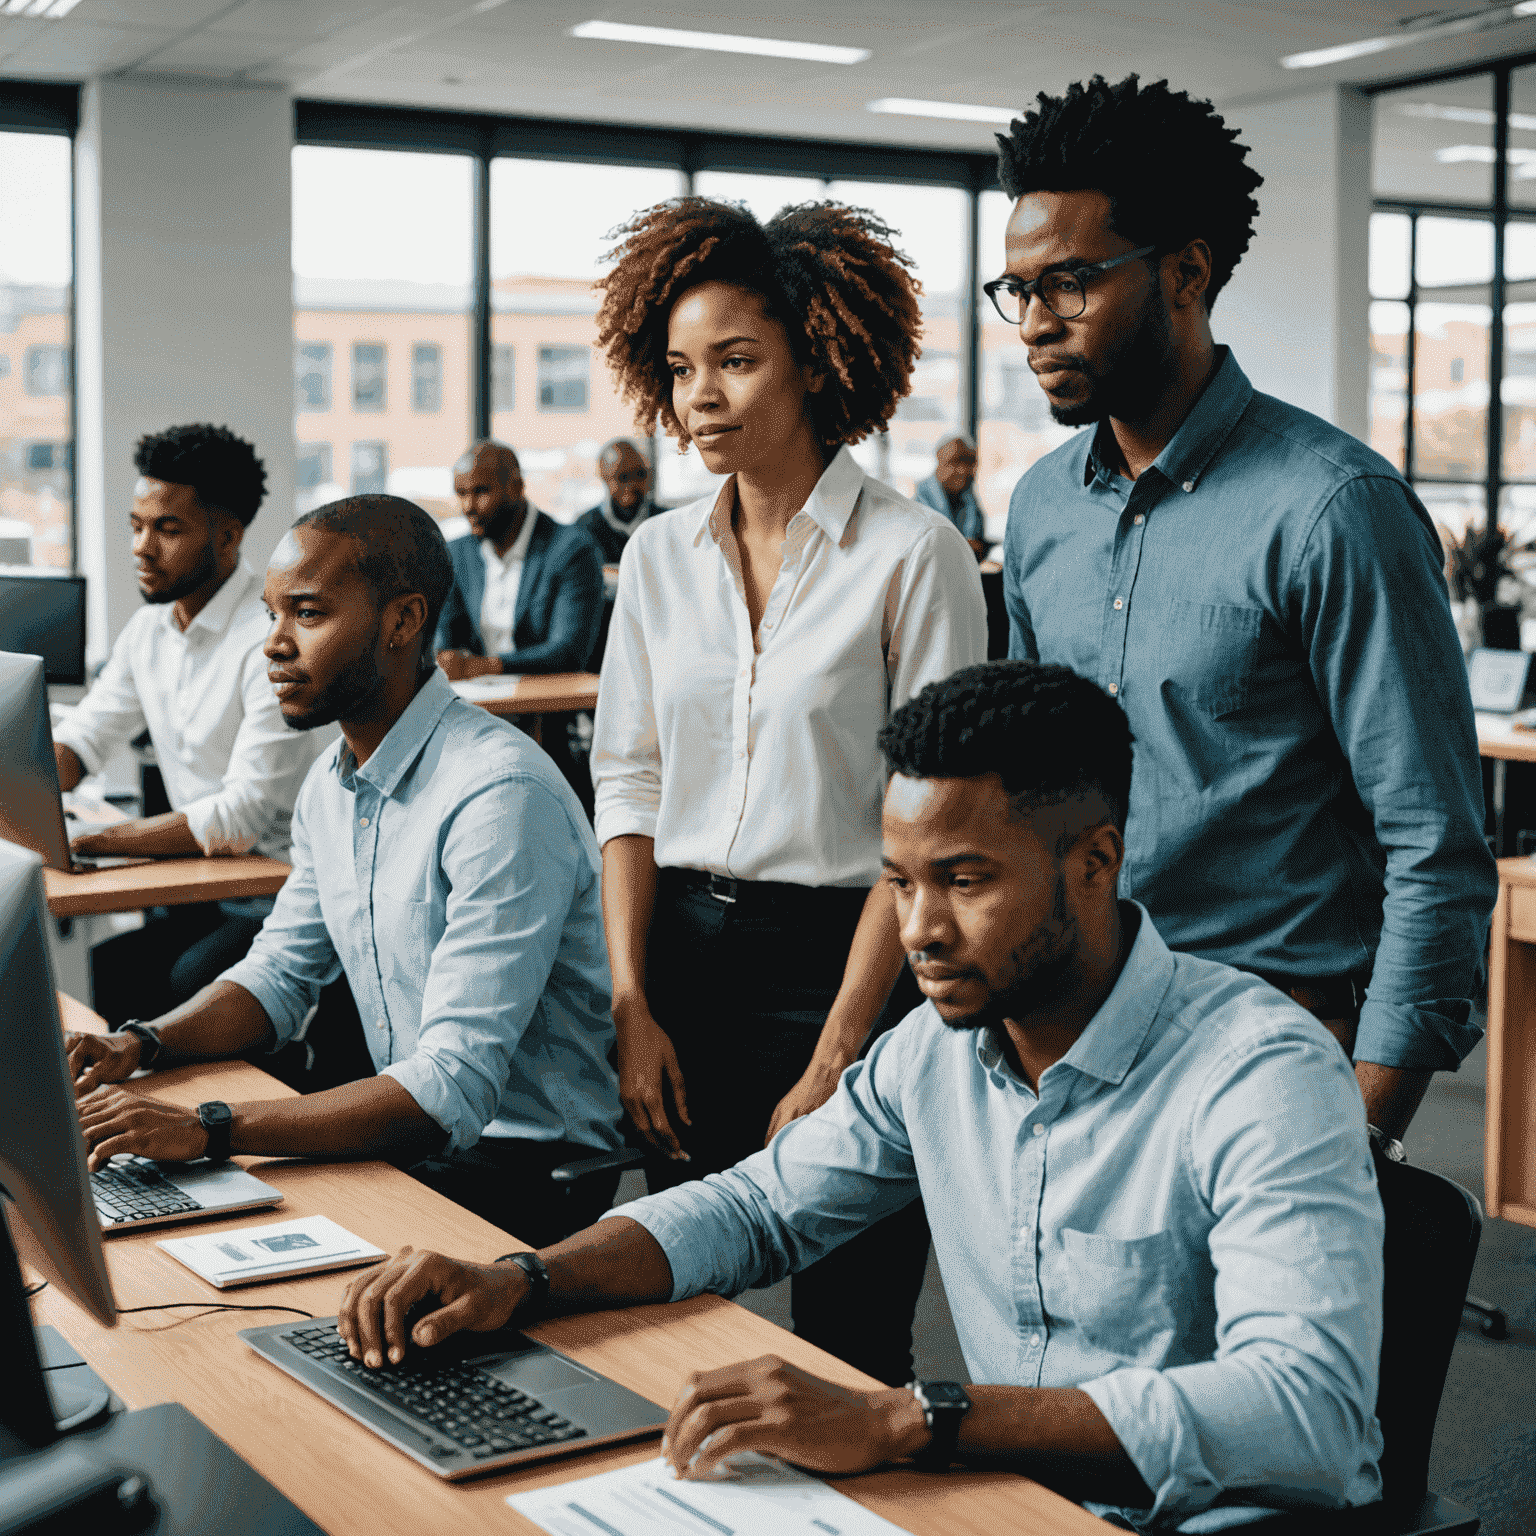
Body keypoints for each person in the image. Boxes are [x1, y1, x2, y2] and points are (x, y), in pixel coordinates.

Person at [338, 661, 1385, 1532]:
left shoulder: (1261, 1073)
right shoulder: (933, 1049)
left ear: (1096, 863)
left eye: (966, 881)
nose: (920, 929)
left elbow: (1307, 1411)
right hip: (992, 1503)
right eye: (899, 880)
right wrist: (523, 1278)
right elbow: (752, 1208)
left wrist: (908, 1419)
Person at [991, 74, 1497, 1142]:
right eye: (1019, 290)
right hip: (1087, 1041)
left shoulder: (1332, 510)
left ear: (1186, 272)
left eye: (1071, 283)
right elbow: (1040, 797)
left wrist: (1368, 1124)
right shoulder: (1040, 511)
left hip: (1278, 1051)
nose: (1035, 323)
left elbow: (1435, 842)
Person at [587, 196, 988, 1388]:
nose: (699, 395)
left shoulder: (916, 557)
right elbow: (630, 781)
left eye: (735, 361)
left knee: (850, 1335)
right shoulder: (657, 558)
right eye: (680, 369)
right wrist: (630, 1003)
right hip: (684, 966)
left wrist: (840, 1052)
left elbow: (925, 833)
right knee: (669, 1310)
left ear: (817, 358)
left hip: (853, 963)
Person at [67, 495, 624, 1248]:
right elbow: (276, 977)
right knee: (163, 1230)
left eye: (307, 614)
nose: (273, 644)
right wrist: (139, 1045)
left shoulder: (499, 797)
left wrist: (206, 1128)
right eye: (270, 614)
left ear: (403, 622)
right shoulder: (333, 785)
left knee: (223, 1268)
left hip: (519, 1169)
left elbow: (449, 1087)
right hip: (418, 1142)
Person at [52, 424, 328, 1027]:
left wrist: (94, 842)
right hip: (198, 893)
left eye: (168, 529)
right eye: (136, 525)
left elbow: (238, 818)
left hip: (276, 900)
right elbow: (86, 735)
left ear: (229, 534)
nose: (142, 547)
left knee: (175, 982)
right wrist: (30, 779)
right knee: (112, 971)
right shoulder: (150, 632)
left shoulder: (270, 641)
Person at [433, 440, 603, 679]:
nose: (468, 506)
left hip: (543, 705)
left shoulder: (571, 550)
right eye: (461, 493)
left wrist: (484, 667)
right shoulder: (458, 555)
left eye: (481, 492)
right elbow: (445, 644)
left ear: (517, 487)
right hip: (476, 703)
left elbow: (568, 651)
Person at [576, 438, 658, 566]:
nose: (632, 484)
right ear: (605, 478)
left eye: (639, 474)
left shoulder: (663, 521)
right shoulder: (586, 528)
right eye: (623, 477)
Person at [913, 432, 987, 556]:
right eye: (956, 462)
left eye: (970, 463)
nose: (964, 470)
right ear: (939, 463)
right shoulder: (917, 507)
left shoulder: (972, 506)